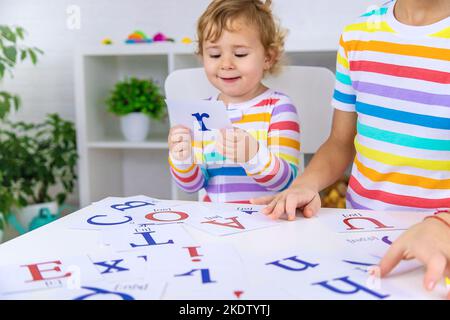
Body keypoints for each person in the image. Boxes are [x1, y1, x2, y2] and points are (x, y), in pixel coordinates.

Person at [251, 0, 450, 296]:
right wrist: (305, 185)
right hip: (363, 236)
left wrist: (443, 224)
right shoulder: (358, 33)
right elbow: (340, 142)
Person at [167, 0, 301, 204]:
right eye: (214, 54)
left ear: (268, 57)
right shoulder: (202, 113)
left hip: (267, 224)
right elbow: (192, 186)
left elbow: (284, 181)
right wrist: (182, 159)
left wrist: (253, 155)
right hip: (214, 225)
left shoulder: (278, 108)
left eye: (240, 54)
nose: (226, 64)